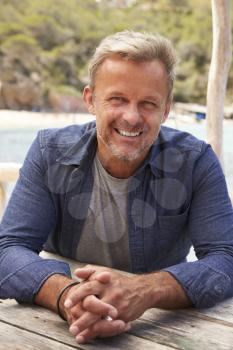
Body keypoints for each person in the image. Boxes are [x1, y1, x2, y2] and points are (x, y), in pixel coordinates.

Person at [0, 30, 233, 344]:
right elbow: (8, 249)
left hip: (159, 331)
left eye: (148, 104)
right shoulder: (49, 152)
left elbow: (225, 257)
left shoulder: (196, 162)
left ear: (166, 109)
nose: (132, 117)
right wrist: (67, 295)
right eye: (117, 99)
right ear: (90, 100)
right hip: (52, 327)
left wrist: (144, 291)